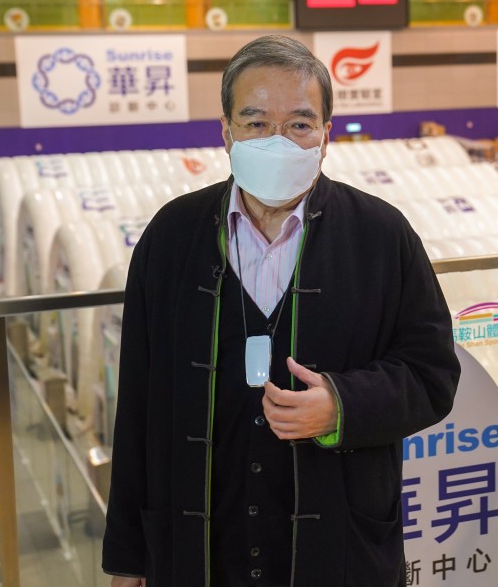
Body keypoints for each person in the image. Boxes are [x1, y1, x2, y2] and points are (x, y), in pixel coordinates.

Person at [102, 35, 460, 587]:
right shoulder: (171, 238)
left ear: (325, 136)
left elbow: (432, 374)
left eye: (298, 124)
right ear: (226, 132)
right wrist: (127, 557)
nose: (278, 141)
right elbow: (139, 406)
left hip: (338, 547)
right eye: (255, 123)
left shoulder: (381, 237)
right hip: (199, 545)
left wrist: (341, 406)